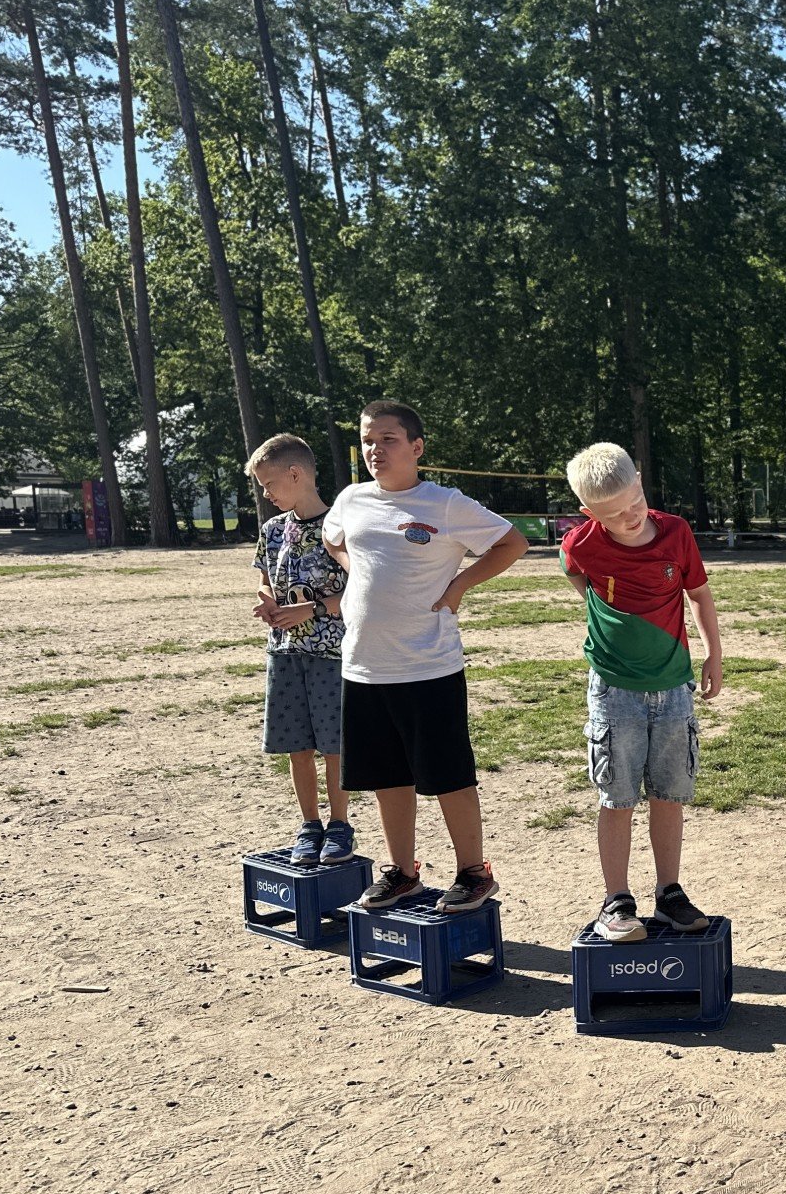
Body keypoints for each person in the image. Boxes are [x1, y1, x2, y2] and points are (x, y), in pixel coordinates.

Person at [322, 400, 530, 913]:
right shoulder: (351, 499)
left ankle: (474, 872)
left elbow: (512, 543)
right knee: (386, 776)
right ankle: (403, 873)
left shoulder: (445, 504)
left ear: (416, 447)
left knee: (447, 775)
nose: (375, 450)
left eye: (388, 439)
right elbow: (333, 538)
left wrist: (459, 585)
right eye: (368, 441)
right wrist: (355, 570)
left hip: (428, 665)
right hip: (364, 665)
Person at [561, 442, 724, 943]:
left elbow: (698, 594)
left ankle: (669, 893)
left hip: (673, 687)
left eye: (635, 502)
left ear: (640, 482)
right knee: (618, 796)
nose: (630, 517)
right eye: (614, 514)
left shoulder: (676, 532)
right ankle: (616, 901)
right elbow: (574, 571)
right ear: (589, 513)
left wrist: (713, 653)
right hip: (614, 691)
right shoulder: (581, 544)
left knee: (669, 795)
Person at [248, 433, 353, 866]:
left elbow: (359, 590)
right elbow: (265, 581)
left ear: (295, 474)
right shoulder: (273, 530)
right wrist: (267, 603)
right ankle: (310, 825)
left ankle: (340, 825)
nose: (266, 495)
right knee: (297, 744)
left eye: (269, 485)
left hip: (332, 654)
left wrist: (311, 609)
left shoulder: (340, 528)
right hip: (285, 652)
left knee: (334, 744)